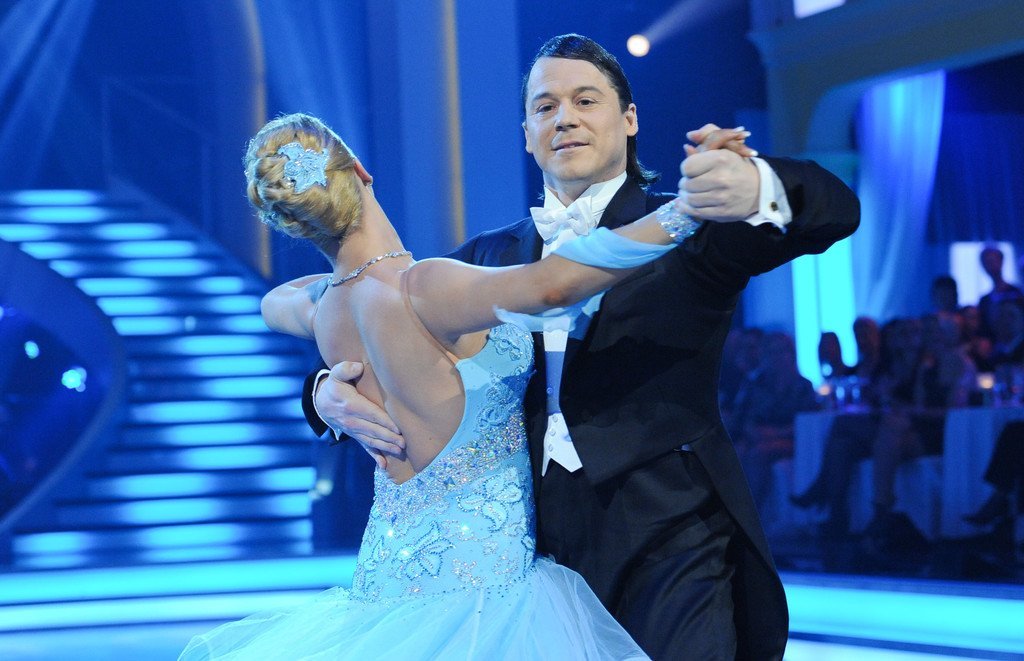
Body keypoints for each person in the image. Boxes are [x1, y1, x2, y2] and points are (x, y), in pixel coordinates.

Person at [307, 34, 860, 660]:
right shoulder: (485, 257)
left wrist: (756, 183)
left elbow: (835, 210)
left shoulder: (685, 223)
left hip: (672, 532)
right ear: (526, 134)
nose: (564, 118)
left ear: (629, 119)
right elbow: (363, 316)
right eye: (545, 107)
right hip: (525, 550)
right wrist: (323, 393)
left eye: (586, 100)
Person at [180, 112, 743, 659]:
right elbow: (552, 286)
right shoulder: (423, 287)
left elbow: (272, 302)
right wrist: (685, 211)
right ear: (360, 171)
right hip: (485, 598)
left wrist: (326, 384)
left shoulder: (323, 306)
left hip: (386, 588)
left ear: (293, 220)